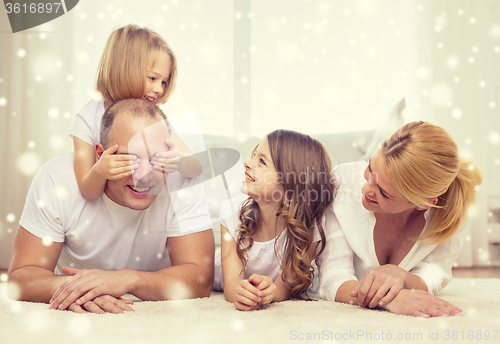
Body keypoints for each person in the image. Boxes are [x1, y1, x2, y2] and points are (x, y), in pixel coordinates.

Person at [7, 99, 214, 314]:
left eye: (156, 159)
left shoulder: (181, 178)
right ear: (100, 154)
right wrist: (79, 289)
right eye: (129, 159)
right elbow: (21, 277)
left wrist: (126, 279)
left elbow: (200, 279)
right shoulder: (56, 179)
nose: (143, 176)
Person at [318, 121, 483, 318]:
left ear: (424, 203)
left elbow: (435, 272)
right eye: (370, 169)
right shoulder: (340, 185)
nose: (366, 189)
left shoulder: (453, 208)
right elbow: (332, 277)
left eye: (383, 193)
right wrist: (391, 299)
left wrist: (402, 277)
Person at [72, 24, 202, 201]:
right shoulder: (87, 118)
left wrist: (180, 161)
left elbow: (197, 168)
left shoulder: (153, 118)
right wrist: (100, 172)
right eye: (152, 78)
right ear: (123, 69)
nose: (159, 90)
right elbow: (88, 192)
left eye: (164, 82)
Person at [213, 129, 337, 311]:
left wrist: (268, 293)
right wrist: (239, 293)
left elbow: (284, 287)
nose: (247, 163)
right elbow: (231, 283)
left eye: (261, 161)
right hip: (219, 277)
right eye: (254, 155)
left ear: (291, 180)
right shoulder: (232, 214)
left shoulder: (308, 227)